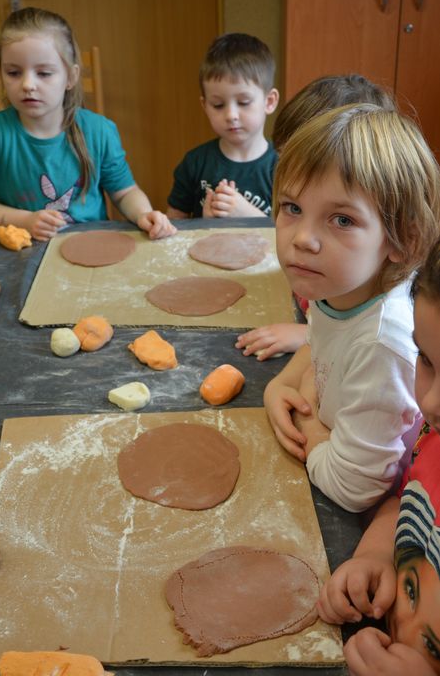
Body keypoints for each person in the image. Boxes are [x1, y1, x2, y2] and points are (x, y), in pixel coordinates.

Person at [263, 104, 440, 512]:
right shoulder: (339, 288)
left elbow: (353, 489)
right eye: (292, 208)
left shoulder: (383, 343)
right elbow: (319, 343)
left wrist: (310, 422)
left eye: (341, 220)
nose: (303, 238)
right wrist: (281, 385)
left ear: (404, 241)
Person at [317, 238, 440, 676]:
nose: (431, 401)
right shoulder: (434, 435)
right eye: (425, 359)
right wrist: (373, 556)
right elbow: (409, 503)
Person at [0, 7, 176, 242]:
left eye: (43, 73)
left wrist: (143, 214)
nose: (27, 84)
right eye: (13, 72)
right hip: (24, 250)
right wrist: (26, 220)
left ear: (70, 77)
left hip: (91, 244)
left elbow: (124, 193)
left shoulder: (99, 131)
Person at [237, 74, 397, 361]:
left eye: (342, 220)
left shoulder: (383, 336)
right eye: (284, 161)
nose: (302, 239)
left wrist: (305, 335)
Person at [166, 32, 279, 219]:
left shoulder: (284, 167)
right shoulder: (195, 163)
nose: (231, 115)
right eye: (218, 105)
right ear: (205, 106)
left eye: (243, 102)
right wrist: (205, 223)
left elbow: (290, 235)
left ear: (269, 101)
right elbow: (175, 225)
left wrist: (249, 215)